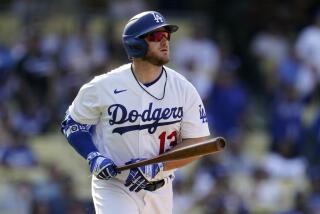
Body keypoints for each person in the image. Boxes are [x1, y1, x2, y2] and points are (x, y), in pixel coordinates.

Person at [60, 11, 210, 214]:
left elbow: (198, 143)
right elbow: (72, 124)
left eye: (166, 36)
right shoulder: (103, 86)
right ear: (135, 44)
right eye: (156, 37)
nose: (164, 42)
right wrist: (93, 156)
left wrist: (159, 165)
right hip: (116, 185)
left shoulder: (184, 89)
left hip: (161, 187)